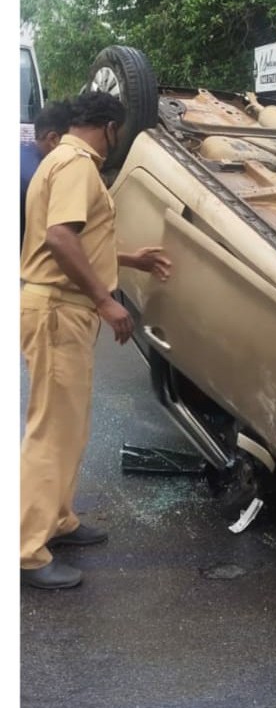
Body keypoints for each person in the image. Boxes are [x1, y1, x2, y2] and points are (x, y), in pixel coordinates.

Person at [20, 92, 172, 589]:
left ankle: (57, 519)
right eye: (120, 132)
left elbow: (81, 239)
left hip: (61, 309)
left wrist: (130, 260)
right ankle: (25, 549)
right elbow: (60, 238)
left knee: (70, 424)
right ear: (109, 128)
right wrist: (108, 301)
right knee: (52, 431)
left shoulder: (62, 160)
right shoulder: (77, 164)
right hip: (60, 309)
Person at [24, 99, 75, 239]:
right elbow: (58, 240)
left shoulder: (24, 154)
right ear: (53, 139)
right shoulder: (40, 177)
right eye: (74, 141)